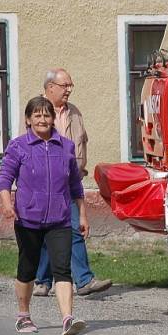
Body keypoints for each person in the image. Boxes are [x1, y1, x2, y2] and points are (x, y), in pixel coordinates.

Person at [0, 96, 88, 335]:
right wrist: (8, 205)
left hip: (59, 218)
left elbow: (75, 186)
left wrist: (82, 215)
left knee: (62, 269)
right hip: (28, 219)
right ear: (28, 120)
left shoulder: (66, 146)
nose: (42, 119)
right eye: (36, 115)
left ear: (53, 119)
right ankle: (23, 315)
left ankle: (67, 319)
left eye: (46, 115)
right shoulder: (18, 146)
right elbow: (5, 179)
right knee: (27, 269)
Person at [31, 68, 112, 297]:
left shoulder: (74, 112)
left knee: (74, 228)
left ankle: (83, 280)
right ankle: (42, 280)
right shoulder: (37, 110)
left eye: (70, 85)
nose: (69, 90)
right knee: (46, 232)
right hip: (44, 184)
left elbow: (80, 144)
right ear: (50, 88)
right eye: (64, 85)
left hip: (70, 181)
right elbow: (24, 146)